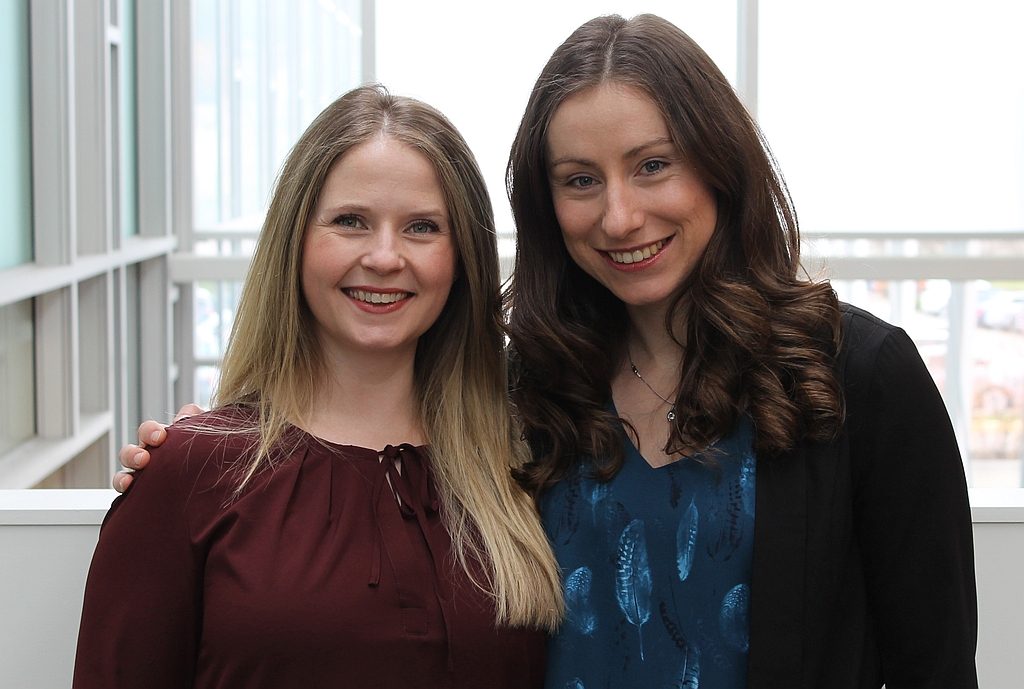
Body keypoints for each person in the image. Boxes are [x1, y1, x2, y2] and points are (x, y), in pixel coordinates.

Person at [114, 13, 979, 689]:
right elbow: (355, 455)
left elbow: (935, 668)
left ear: (720, 166)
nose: (618, 216)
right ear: (545, 204)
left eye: (652, 165)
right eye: (579, 180)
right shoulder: (526, 389)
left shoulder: (860, 377)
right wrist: (207, 456)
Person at [73, 84, 562, 689]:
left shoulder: (523, 465)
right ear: (295, 241)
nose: (385, 257)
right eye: (350, 221)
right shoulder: (189, 472)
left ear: (462, 259)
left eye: (421, 228)